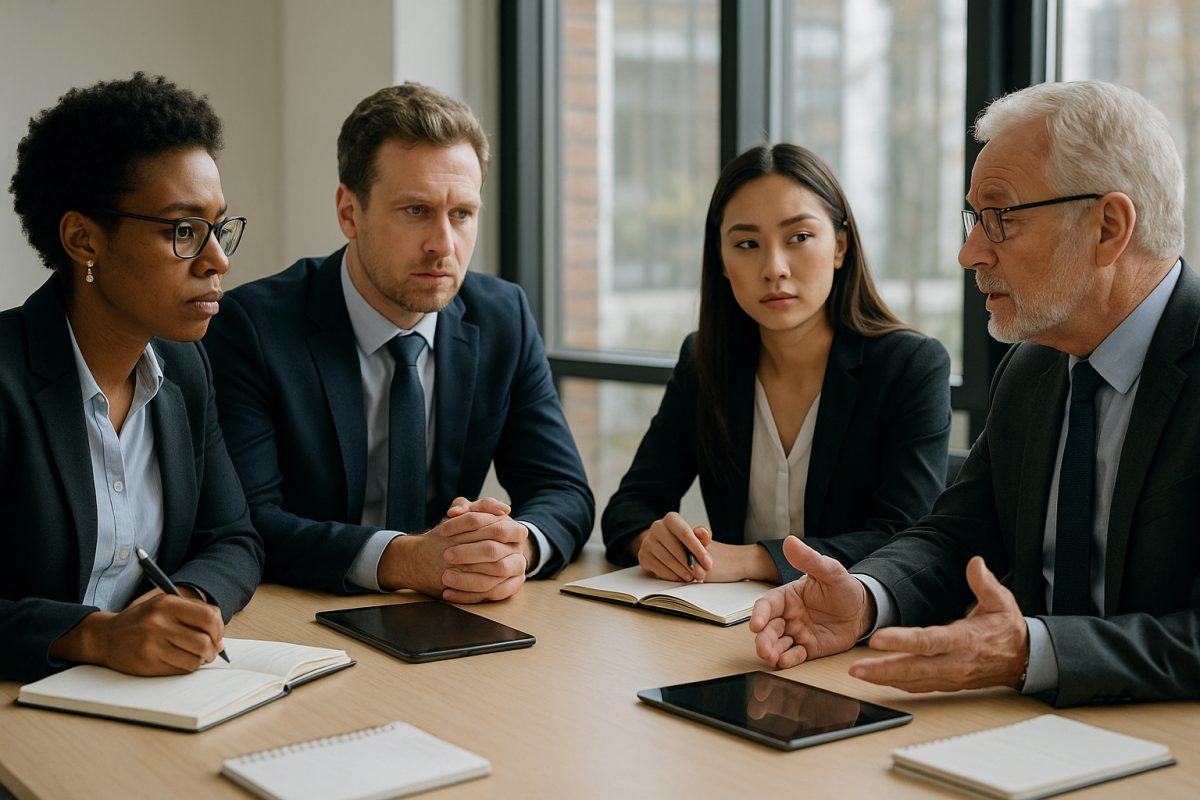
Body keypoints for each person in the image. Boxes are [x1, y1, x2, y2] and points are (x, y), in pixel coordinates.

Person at [751, 80, 1200, 707]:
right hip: (1024, 733)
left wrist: (1032, 651)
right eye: (974, 219)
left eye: (1000, 218)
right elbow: (955, 535)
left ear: (1108, 227)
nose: (969, 253)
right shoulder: (1031, 370)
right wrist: (864, 597)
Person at [205, 83, 593, 602]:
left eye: (462, 214)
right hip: (306, 612)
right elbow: (248, 520)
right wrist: (407, 559)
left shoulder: (503, 316)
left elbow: (563, 490)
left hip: (453, 609)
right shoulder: (254, 326)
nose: (443, 245)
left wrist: (513, 546)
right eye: (415, 210)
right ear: (349, 212)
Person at [1, 73, 264, 682]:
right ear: (83, 239)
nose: (217, 259)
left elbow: (233, 538)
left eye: (217, 226)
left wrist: (188, 602)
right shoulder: (9, 380)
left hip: (145, 699)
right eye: (182, 230)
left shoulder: (185, 369)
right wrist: (95, 637)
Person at [602, 144, 951, 584]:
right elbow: (629, 508)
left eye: (799, 238)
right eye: (747, 244)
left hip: (854, 632)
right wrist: (651, 542)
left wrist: (751, 560)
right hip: (726, 629)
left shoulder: (910, 366)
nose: (774, 268)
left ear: (840, 246)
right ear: (723, 263)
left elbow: (907, 538)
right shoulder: (705, 362)